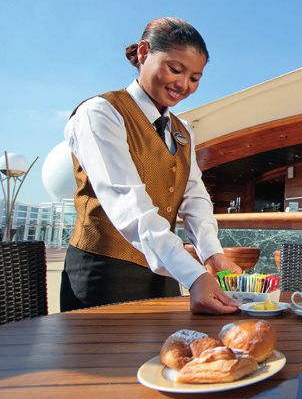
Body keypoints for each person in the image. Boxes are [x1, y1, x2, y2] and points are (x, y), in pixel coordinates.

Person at [61, 17, 241, 315]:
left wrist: (212, 253)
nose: (183, 85)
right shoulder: (100, 113)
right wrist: (194, 274)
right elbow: (127, 204)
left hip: (166, 273)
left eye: (195, 78)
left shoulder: (182, 130)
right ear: (144, 53)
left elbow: (194, 195)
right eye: (176, 69)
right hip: (103, 273)